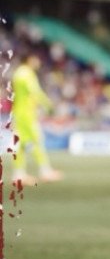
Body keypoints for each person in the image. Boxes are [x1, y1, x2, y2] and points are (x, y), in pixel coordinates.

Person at [10, 53, 62, 185]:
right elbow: (35, 91)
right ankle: (45, 171)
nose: (38, 61)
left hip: (18, 112)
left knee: (20, 144)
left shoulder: (18, 73)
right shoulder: (27, 73)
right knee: (37, 140)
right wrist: (49, 105)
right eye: (36, 58)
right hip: (27, 114)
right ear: (29, 59)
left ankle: (18, 174)